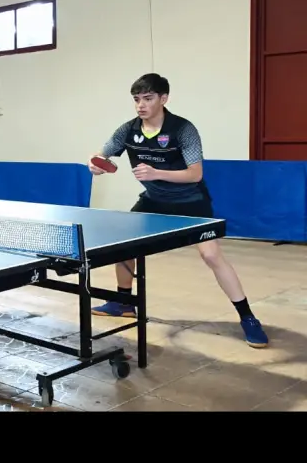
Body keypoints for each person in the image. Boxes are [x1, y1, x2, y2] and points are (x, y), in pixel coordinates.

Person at [88, 72, 269, 348]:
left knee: (211, 256)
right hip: (154, 200)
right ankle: (123, 302)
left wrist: (155, 172)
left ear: (163, 98)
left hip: (191, 201)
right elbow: (103, 154)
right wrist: (98, 164)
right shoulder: (127, 130)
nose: (140, 105)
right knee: (120, 246)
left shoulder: (183, 129)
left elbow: (195, 174)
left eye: (147, 98)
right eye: (137, 99)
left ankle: (248, 318)